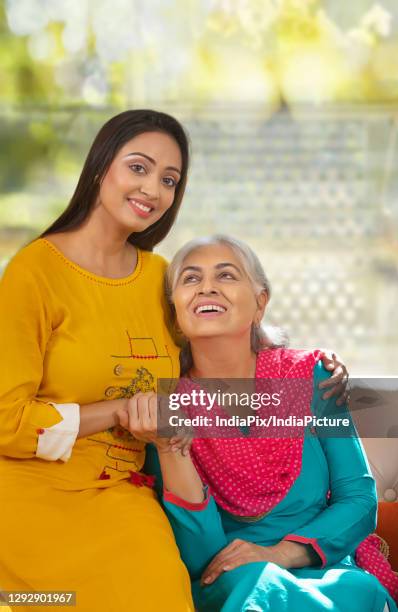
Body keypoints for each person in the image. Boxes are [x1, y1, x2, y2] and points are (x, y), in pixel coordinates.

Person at [0, 111, 346, 612]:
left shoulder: (159, 277)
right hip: (31, 494)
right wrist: (117, 412)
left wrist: (313, 362)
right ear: (101, 168)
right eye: (138, 168)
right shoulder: (33, 273)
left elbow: (217, 347)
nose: (153, 190)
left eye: (169, 180)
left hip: (125, 492)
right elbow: (5, 421)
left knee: (162, 595)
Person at [120, 235, 398, 612]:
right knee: (254, 582)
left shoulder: (313, 377)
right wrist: (170, 447)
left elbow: (359, 500)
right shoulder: (165, 404)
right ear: (175, 311)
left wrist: (281, 554)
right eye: (190, 278)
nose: (207, 287)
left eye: (226, 275)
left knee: (354, 592)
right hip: (233, 585)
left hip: (327, 575)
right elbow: (203, 559)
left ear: (260, 303)